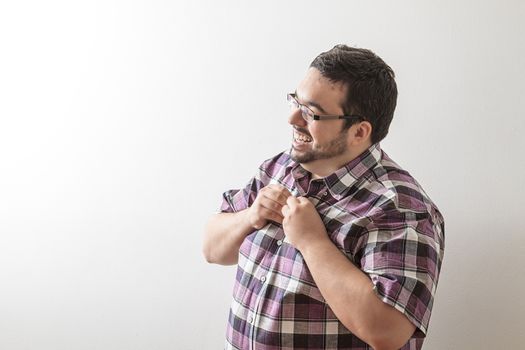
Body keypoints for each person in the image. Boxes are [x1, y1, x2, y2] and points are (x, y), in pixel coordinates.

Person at [202, 44, 445, 350]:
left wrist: (313, 242)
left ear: (359, 132)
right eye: (295, 101)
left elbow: (389, 330)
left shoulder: (401, 209)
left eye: (311, 113)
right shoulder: (279, 168)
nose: (293, 118)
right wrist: (249, 216)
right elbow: (212, 249)